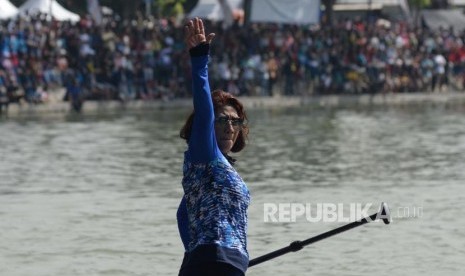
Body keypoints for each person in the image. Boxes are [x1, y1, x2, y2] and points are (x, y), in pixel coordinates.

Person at [176, 18, 251, 276]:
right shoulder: (205, 154)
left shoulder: (218, 170)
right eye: (223, 120)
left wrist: (195, 253)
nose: (230, 127)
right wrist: (199, 60)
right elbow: (205, 112)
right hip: (214, 263)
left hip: (220, 263)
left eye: (235, 121)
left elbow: (183, 214)